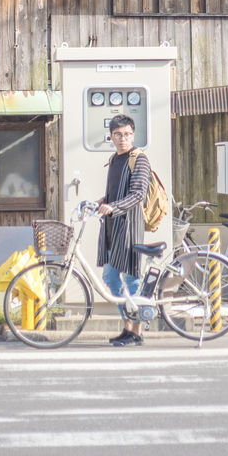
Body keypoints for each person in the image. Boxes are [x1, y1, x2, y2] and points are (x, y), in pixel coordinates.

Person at [97, 114, 151, 348]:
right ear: (110, 137)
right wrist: (103, 201)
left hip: (130, 226)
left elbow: (138, 194)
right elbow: (115, 191)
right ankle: (129, 325)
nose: (123, 139)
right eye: (118, 135)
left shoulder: (139, 159)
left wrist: (114, 207)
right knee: (110, 277)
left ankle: (136, 330)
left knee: (131, 278)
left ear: (133, 134)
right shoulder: (115, 159)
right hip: (112, 226)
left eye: (127, 134)